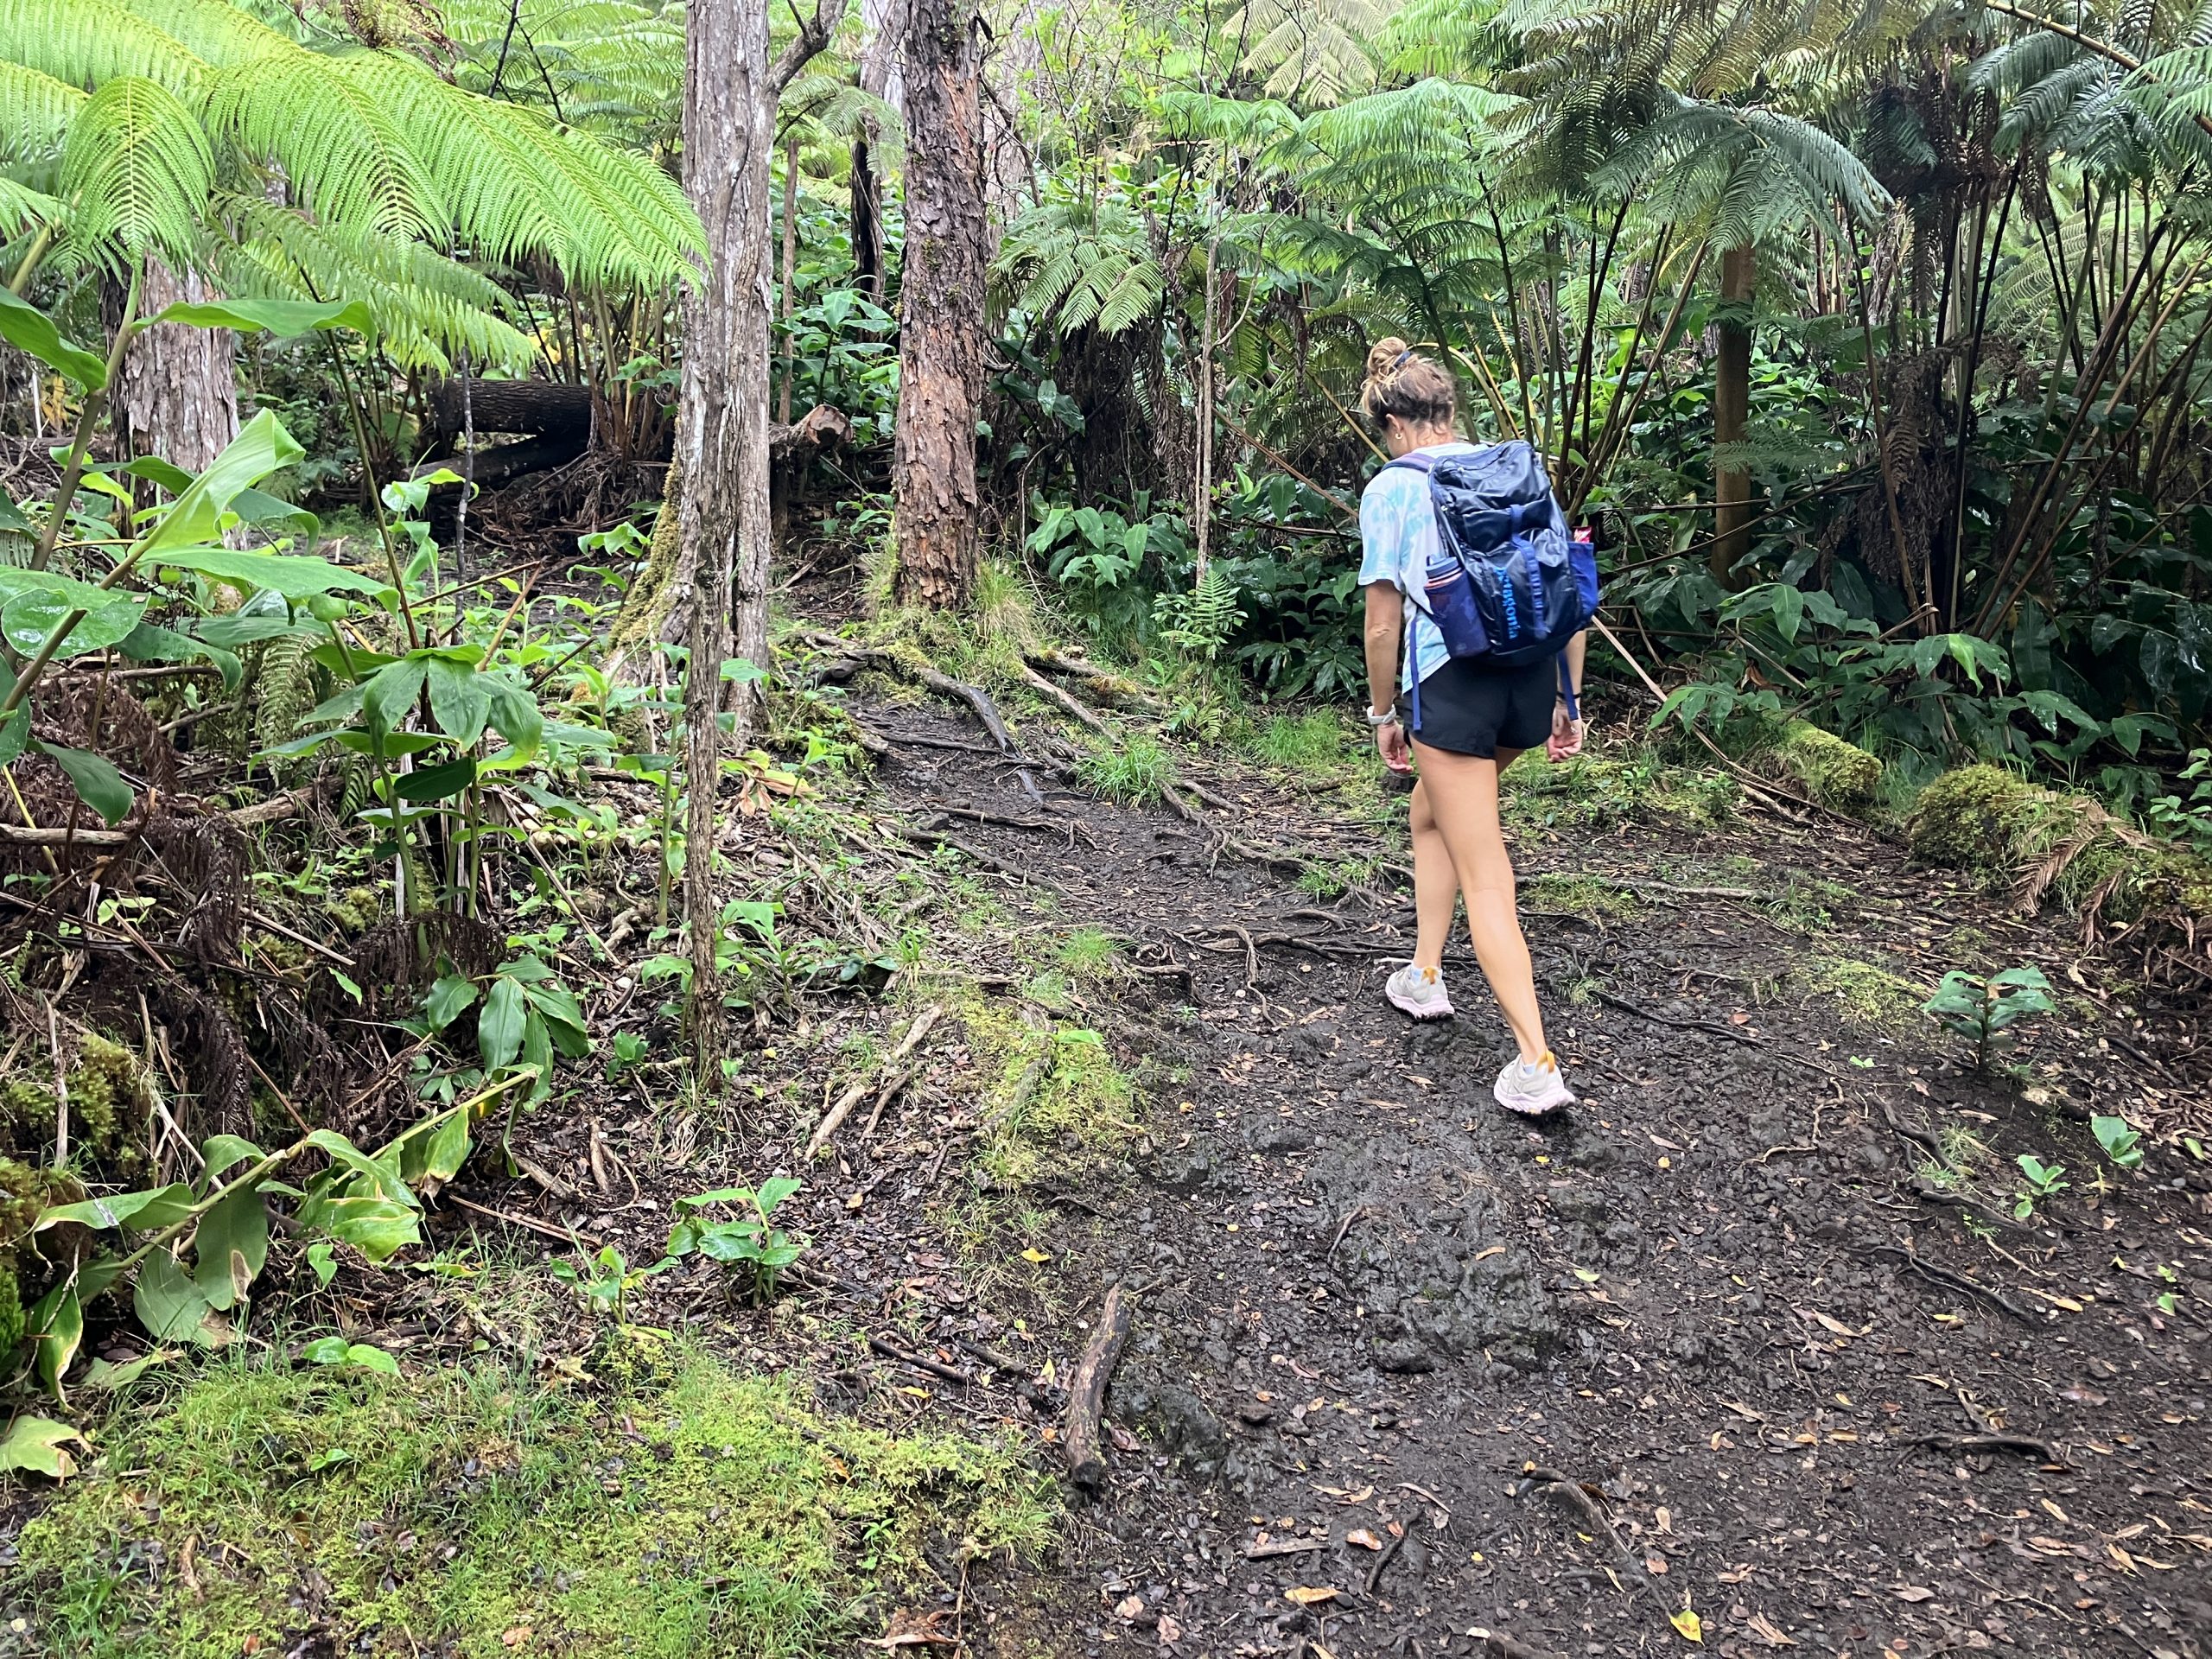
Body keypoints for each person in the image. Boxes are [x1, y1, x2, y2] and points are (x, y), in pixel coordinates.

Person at [1355, 338, 1586, 1117]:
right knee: (1433, 813)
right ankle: (1424, 975)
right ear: (1451, 412)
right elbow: (1567, 589)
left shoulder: (1391, 488)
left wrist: (1385, 712)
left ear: (1393, 422)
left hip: (1449, 685)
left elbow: (1383, 621)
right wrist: (1567, 701)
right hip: (1524, 680)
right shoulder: (1516, 469)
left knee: (1485, 870)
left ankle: (1536, 1063)